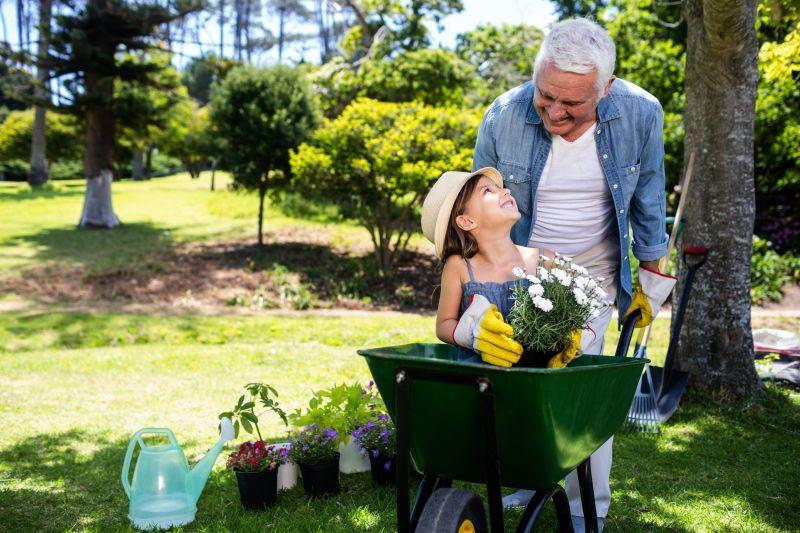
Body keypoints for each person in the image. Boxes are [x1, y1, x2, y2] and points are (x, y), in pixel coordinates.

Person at [471, 17, 676, 532]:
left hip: (592, 278)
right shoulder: (503, 114)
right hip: (517, 273)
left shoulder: (641, 113)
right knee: (519, 382)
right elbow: (472, 207)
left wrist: (651, 275)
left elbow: (649, 194)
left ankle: (588, 511)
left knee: (580, 392)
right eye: (546, 97)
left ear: (605, 89)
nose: (555, 113)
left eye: (572, 103)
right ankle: (529, 481)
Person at [421, 167, 576, 368]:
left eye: (499, 187)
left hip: (538, 379)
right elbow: (443, 325)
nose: (506, 191)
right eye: (487, 191)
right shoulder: (459, 266)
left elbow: (575, 307)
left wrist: (572, 332)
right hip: (482, 382)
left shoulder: (545, 261)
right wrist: (474, 333)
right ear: (466, 221)